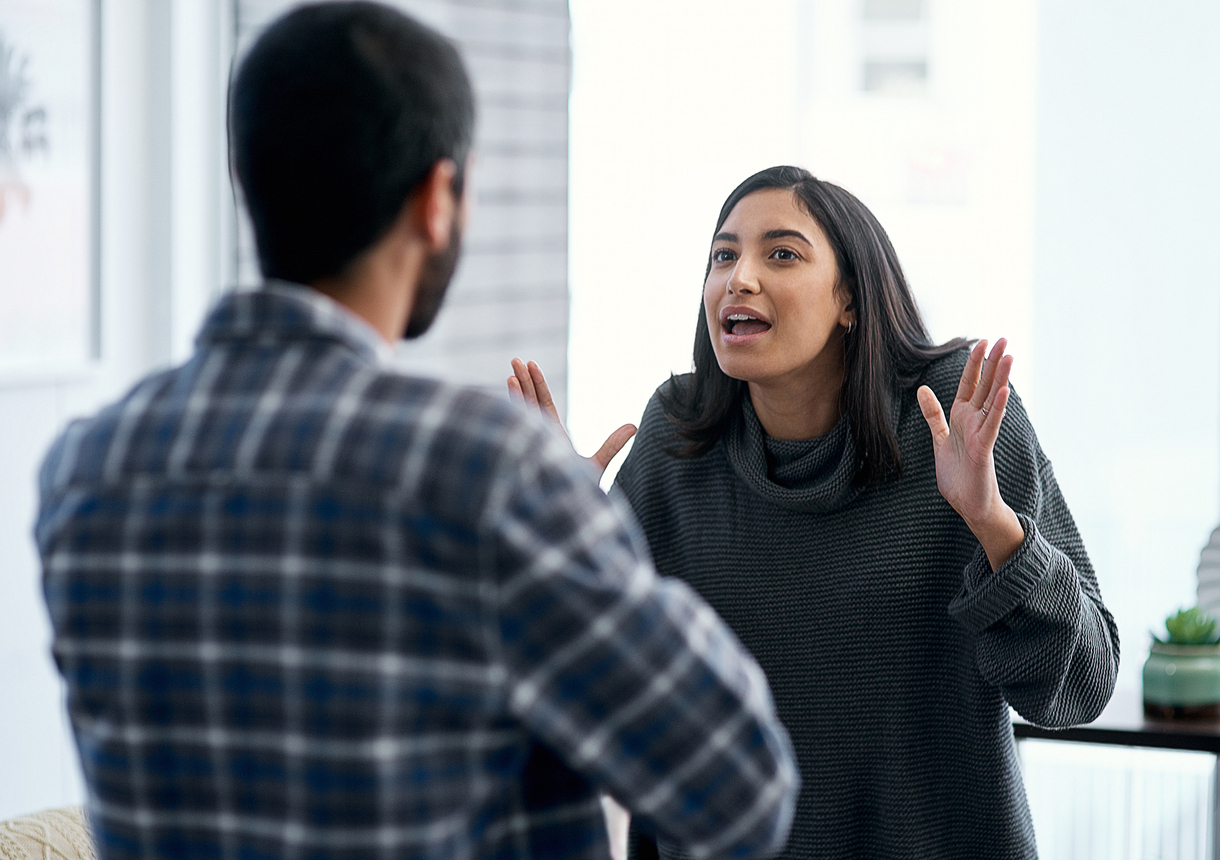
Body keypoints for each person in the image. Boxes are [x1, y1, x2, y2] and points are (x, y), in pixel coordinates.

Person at [34, 7, 799, 860]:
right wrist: (585, 535)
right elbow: (742, 791)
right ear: (437, 199)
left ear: (248, 179)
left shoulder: (81, 472)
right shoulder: (484, 471)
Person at [509, 165, 1119, 860]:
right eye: (723, 255)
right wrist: (566, 545)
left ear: (851, 299)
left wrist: (990, 521)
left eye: (781, 253)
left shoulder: (958, 419)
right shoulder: (679, 437)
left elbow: (1080, 685)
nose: (739, 278)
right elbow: (595, 697)